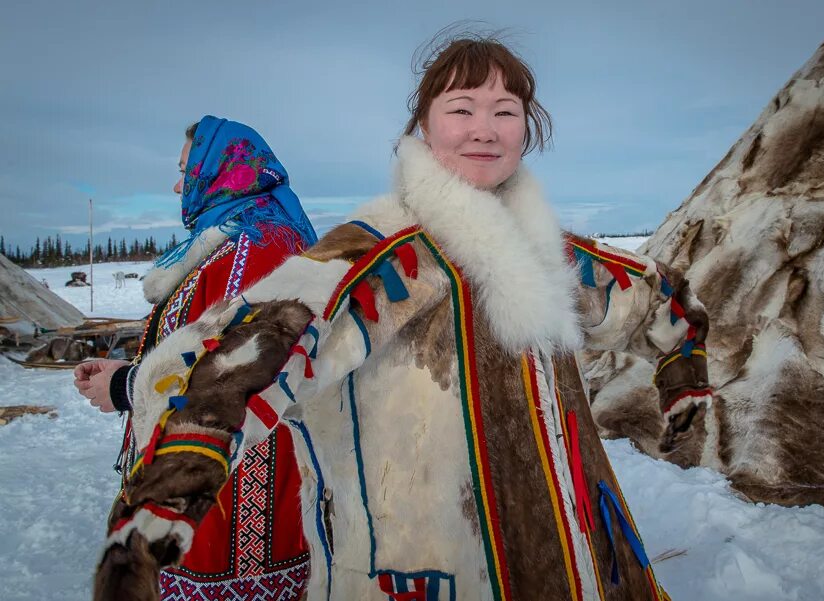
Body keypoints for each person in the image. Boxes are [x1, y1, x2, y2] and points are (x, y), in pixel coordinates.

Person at [95, 38, 713, 601]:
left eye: (505, 110)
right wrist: (169, 491)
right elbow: (254, 345)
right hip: (427, 573)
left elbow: (649, 297)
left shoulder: (549, 251)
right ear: (424, 124)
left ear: (527, 127)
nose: (485, 129)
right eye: (462, 108)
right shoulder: (381, 251)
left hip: (578, 557)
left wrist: (682, 365)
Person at [79, 116, 316, 600]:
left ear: (221, 171)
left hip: (232, 482)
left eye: (186, 170)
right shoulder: (234, 239)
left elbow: (237, 366)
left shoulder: (255, 249)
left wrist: (127, 387)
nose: (176, 184)